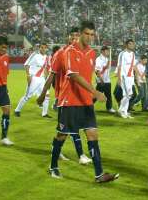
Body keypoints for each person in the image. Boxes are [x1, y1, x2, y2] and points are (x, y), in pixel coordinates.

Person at [47, 20, 119, 183]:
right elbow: (73, 75)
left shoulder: (92, 53)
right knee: (62, 135)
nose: (89, 37)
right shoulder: (70, 51)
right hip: (70, 101)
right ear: (80, 34)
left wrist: (92, 91)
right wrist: (95, 92)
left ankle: (99, 174)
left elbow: (87, 75)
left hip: (86, 102)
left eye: (92, 34)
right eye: (86, 34)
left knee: (93, 134)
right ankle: (53, 167)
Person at [37, 28, 91, 165]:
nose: (74, 38)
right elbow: (52, 75)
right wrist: (43, 94)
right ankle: (78, 156)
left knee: (69, 129)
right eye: (72, 36)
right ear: (68, 37)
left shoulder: (83, 53)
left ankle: (61, 151)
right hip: (65, 97)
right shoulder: (61, 53)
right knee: (67, 130)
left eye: (77, 36)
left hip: (78, 97)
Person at [14, 43, 50, 117]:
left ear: (46, 49)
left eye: (44, 48)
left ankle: (45, 113)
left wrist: (46, 80)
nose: (43, 49)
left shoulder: (47, 57)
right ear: (39, 48)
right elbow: (26, 65)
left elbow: (45, 69)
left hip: (42, 79)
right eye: (41, 47)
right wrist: (28, 76)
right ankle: (17, 110)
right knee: (27, 96)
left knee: (46, 95)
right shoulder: (34, 55)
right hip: (34, 78)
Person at [116, 39, 137, 119]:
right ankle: (123, 111)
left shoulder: (133, 54)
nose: (132, 45)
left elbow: (133, 66)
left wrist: (135, 77)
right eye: (130, 44)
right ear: (127, 45)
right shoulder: (122, 54)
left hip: (130, 77)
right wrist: (119, 78)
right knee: (127, 94)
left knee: (130, 94)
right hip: (124, 76)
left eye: (133, 44)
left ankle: (122, 110)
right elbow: (119, 66)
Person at [95, 45, 115, 113]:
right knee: (97, 95)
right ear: (102, 51)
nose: (108, 52)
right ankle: (88, 106)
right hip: (101, 81)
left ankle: (109, 108)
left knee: (108, 95)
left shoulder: (106, 59)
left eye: (108, 51)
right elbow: (97, 71)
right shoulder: (98, 59)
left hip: (107, 80)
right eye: (107, 51)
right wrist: (101, 80)